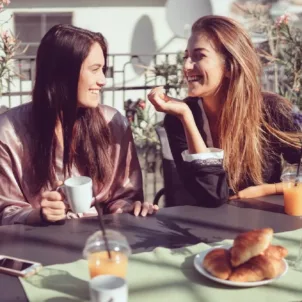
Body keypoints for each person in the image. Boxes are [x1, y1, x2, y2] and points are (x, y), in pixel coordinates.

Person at [0, 24, 158, 226]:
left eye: (103, 69)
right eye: (94, 70)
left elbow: (124, 195)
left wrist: (130, 208)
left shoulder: (113, 124)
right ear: (62, 73)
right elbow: (4, 212)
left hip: (101, 241)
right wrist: (38, 214)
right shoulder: (8, 132)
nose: (103, 80)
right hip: (37, 247)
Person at [148, 15, 302, 207]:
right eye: (186, 56)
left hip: (267, 223)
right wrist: (186, 118)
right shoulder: (178, 118)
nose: (186, 66)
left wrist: (270, 189)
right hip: (206, 230)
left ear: (229, 66)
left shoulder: (273, 110)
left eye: (199, 56)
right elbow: (211, 195)